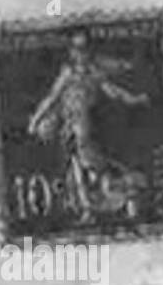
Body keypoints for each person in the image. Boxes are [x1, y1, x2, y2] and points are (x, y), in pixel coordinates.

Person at [26, 31, 151, 222]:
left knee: (90, 167)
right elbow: (52, 97)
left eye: (84, 49)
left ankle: (113, 196)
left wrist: (133, 99)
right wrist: (36, 119)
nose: (80, 54)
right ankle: (87, 207)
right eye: (77, 49)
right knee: (78, 166)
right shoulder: (68, 73)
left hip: (84, 126)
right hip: (69, 124)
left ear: (89, 51)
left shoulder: (94, 72)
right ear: (72, 53)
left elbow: (112, 90)